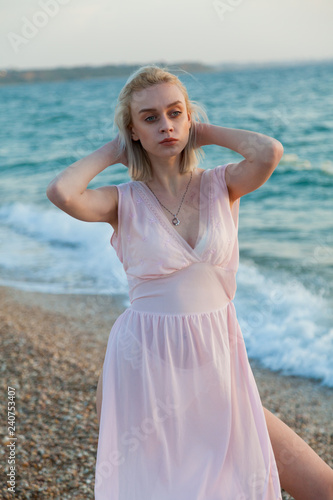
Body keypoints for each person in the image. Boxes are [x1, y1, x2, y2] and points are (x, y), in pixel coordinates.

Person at [46, 65, 333, 499]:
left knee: (320, 485)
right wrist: (116, 149)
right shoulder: (121, 202)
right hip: (144, 370)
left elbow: (268, 151)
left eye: (175, 113)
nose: (166, 125)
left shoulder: (223, 184)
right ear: (133, 131)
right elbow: (63, 192)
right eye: (150, 118)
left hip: (218, 370)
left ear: (189, 118)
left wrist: (203, 131)